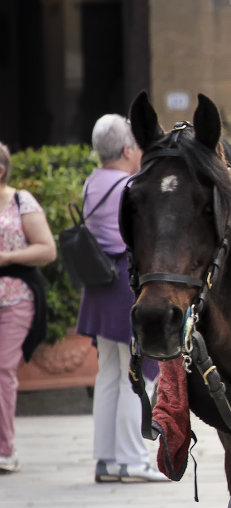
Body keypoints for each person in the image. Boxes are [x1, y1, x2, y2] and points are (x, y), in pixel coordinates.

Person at [77, 115, 167, 483]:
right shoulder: (130, 185)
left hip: (100, 287)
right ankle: (131, 460)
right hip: (125, 287)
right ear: (128, 149)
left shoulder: (92, 182)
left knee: (110, 374)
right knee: (135, 375)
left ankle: (107, 458)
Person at [0, 141, 57, 474]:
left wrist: (7, 257)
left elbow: (47, 250)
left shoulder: (22, 201)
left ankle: (5, 449)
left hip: (15, 298)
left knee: (3, 370)